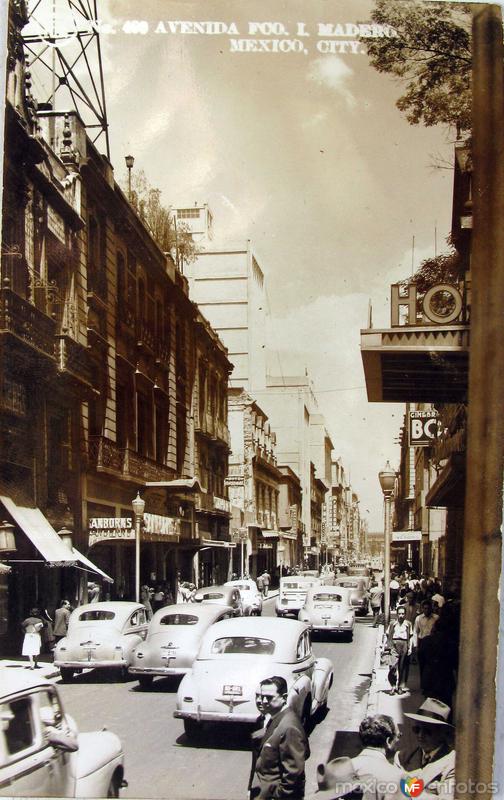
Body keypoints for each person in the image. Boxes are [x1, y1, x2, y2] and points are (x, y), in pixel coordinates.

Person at [313, 715, 402, 800]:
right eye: (399, 736)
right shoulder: (398, 777)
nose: (399, 740)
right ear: (388, 741)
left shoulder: (338, 771)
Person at [250, 675, 310, 799]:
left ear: (284, 698)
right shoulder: (275, 718)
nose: (263, 701)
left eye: (269, 697)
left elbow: (293, 774)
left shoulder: (289, 727)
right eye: (261, 696)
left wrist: (276, 795)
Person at [395, 698, 455, 799]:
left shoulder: (453, 762)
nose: (420, 735)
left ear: (442, 733)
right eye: (417, 729)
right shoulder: (403, 757)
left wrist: (408, 788)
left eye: (427, 731)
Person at [413, 600, 439, 693]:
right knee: (423, 665)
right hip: (422, 642)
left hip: (433, 644)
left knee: (432, 665)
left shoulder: (436, 618)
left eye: (428, 608)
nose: (426, 610)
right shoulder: (418, 618)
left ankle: (431, 685)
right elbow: (415, 632)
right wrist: (416, 646)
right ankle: (424, 686)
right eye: (425, 608)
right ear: (422, 609)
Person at [386, 605, 413, 694]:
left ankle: (400, 686)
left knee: (402, 667)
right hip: (394, 644)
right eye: (399, 614)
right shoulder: (392, 623)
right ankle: (393, 685)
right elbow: (387, 634)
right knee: (392, 666)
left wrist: (410, 648)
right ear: (397, 614)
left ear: (405, 614)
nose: (401, 615)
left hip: (404, 644)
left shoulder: (408, 624)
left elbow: (411, 636)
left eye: (403, 614)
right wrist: (387, 645)